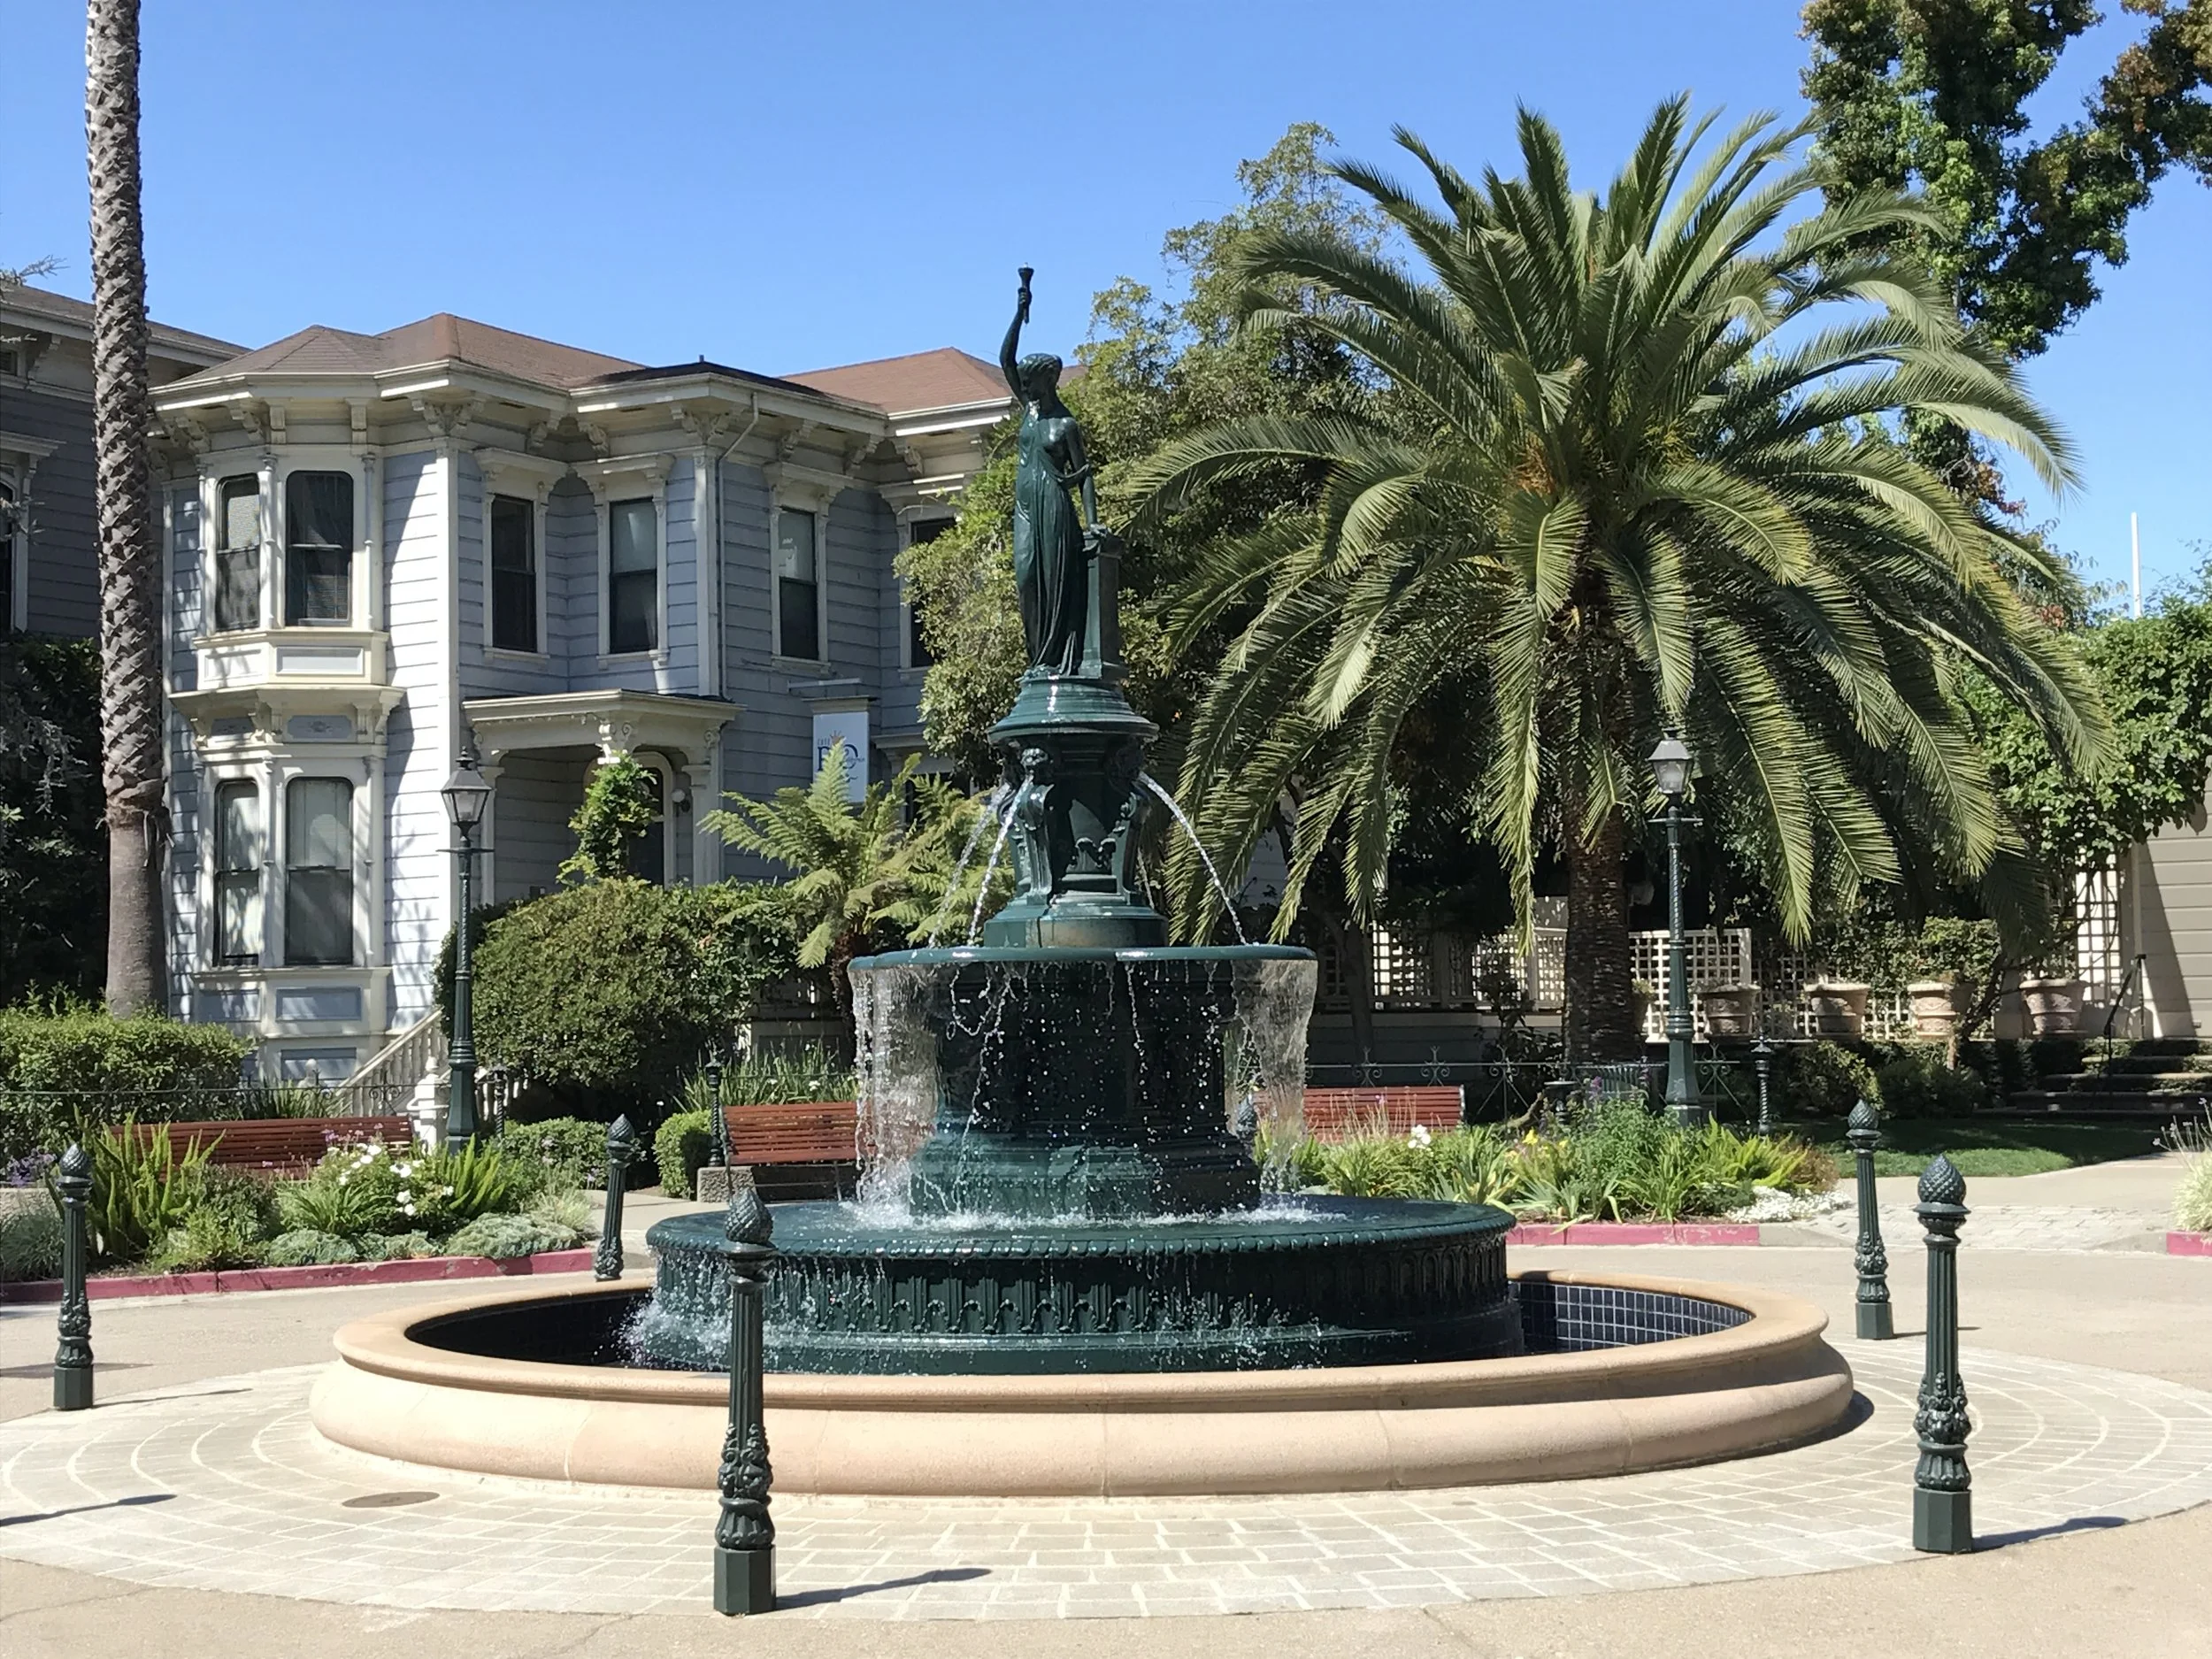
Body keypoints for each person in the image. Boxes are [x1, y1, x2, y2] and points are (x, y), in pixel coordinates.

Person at [1000, 267, 1101, 677]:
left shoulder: (1065, 425)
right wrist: (1017, 312)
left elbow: (1085, 475)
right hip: (1025, 505)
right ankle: (1037, 658)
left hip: (1055, 506)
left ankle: (1054, 661)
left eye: (1029, 379)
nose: (1023, 384)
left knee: (1054, 581)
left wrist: (1093, 524)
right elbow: (1005, 357)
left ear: (1048, 379)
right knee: (1026, 579)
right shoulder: (1028, 410)